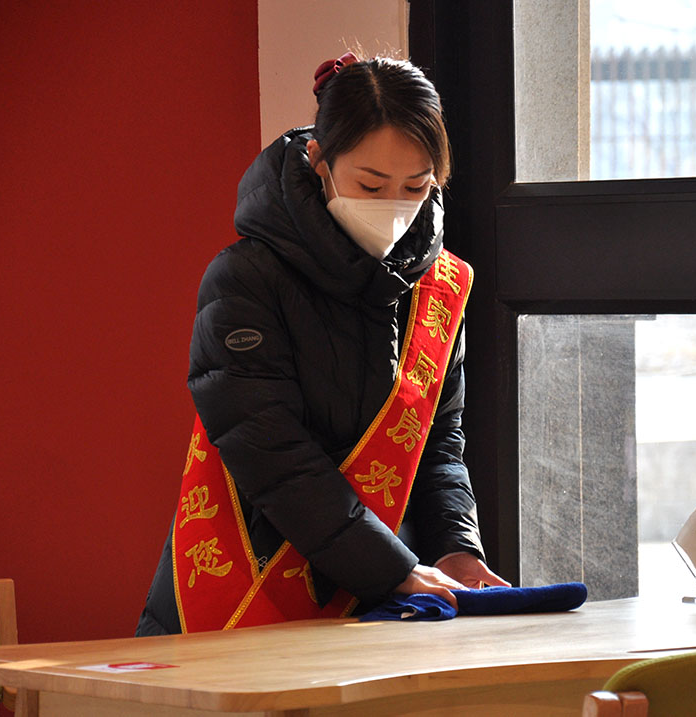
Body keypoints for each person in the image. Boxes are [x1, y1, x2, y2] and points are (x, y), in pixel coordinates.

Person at [136, 53, 507, 636]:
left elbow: (438, 443)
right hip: (254, 587)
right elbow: (271, 455)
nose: (393, 206)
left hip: (392, 599)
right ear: (319, 161)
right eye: (370, 185)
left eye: (416, 186)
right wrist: (391, 568)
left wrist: (456, 548)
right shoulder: (246, 279)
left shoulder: (437, 287)